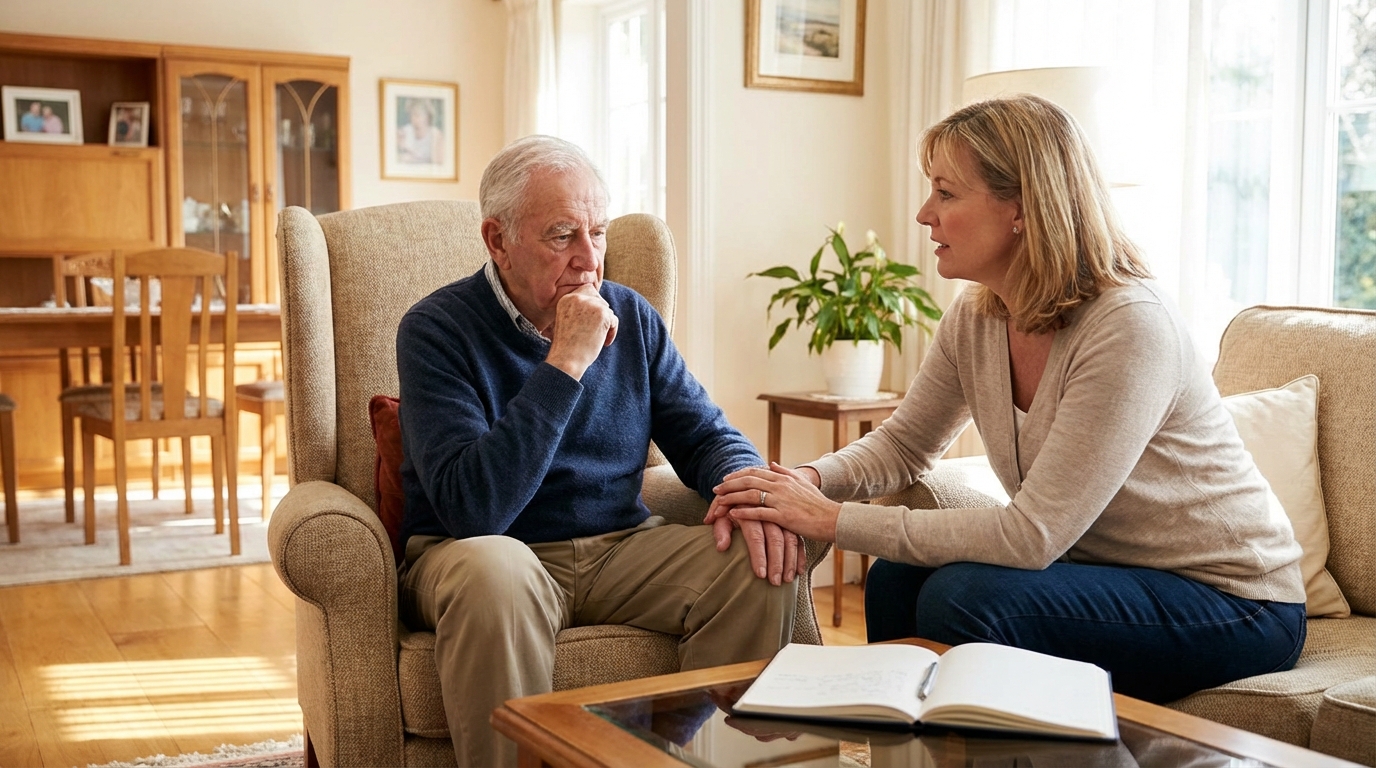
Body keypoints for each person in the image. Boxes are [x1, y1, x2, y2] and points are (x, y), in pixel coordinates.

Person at [709, 94, 1307, 705]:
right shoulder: (977, 315)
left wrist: (830, 520)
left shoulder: (1128, 326)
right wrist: (804, 480)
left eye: (946, 193)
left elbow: (1033, 536)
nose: (923, 213)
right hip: (1105, 572)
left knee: (962, 599)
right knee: (896, 579)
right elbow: (906, 444)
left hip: (1234, 602)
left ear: (1019, 209)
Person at [396, 135, 800, 767]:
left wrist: (748, 484)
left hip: (619, 549)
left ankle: (679, 760)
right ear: (497, 240)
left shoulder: (632, 318)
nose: (589, 260)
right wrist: (565, 363)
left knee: (757, 557)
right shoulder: (437, 330)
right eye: (562, 235)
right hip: (478, 553)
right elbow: (473, 510)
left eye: (598, 233)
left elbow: (706, 434)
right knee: (496, 572)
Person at [396, 97, 444, 165]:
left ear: (427, 116)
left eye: (417, 115)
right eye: (411, 115)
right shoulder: (404, 132)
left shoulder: (436, 135)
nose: (413, 119)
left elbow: (439, 163)